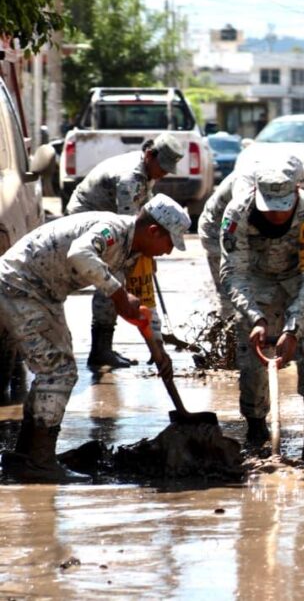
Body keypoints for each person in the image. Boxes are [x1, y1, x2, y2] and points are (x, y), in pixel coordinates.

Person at [0, 195, 190, 482]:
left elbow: (144, 306)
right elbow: (79, 254)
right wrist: (117, 293)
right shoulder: (111, 230)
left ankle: (27, 456)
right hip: (18, 285)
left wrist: (159, 350)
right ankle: (38, 462)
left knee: (58, 370)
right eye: (169, 243)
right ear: (153, 232)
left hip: (44, 294)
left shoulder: (135, 254)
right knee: (58, 371)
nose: (168, 251)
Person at [220, 161, 304, 460]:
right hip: (255, 279)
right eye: (269, 207)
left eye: (282, 207)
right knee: (251, 349)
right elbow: (234, 273)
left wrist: (293, 327)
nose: (275, 214)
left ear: (297, 191)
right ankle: (256, 428)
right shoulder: (236, 215)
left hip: (302, 279)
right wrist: (255, 318)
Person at [66, 133, 185, 368]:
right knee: (112, 279)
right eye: (162, 167)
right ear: (150, 154)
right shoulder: (129, 177)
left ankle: (104, 348)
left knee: (124, 272)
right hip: (86, 220)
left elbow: (145, 213)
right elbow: (130, 228)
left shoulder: (146, 171)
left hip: (109, 221)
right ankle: (100, 350)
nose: (163, 174)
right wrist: (142, 254)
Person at [198, 153, 304, 311]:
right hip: (218, 228)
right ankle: (229, 329)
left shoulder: (277, 182)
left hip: (250, 229)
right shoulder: (246, 185)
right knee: (231, 286)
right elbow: (242, 218)